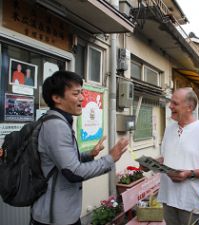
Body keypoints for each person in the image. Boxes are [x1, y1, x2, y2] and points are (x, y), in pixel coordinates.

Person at [32, 70, 129, 225]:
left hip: (61, 213)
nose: (82, 98)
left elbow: (61, 164)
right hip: (56, 217)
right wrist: (109, 159)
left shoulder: (57, 121)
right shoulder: (56, 126)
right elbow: (73, 172)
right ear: (56, 98)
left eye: (81, 93)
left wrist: (88, 155)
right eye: (76, 93)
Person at [140, 88, 199, 225]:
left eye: (175, 103)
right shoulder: (169, 129)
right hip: (168, 199)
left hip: (191, 203)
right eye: (171, 102)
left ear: (189, 107)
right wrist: (150, 164)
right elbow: (166, 158)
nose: (170, 106)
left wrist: (190, 173)